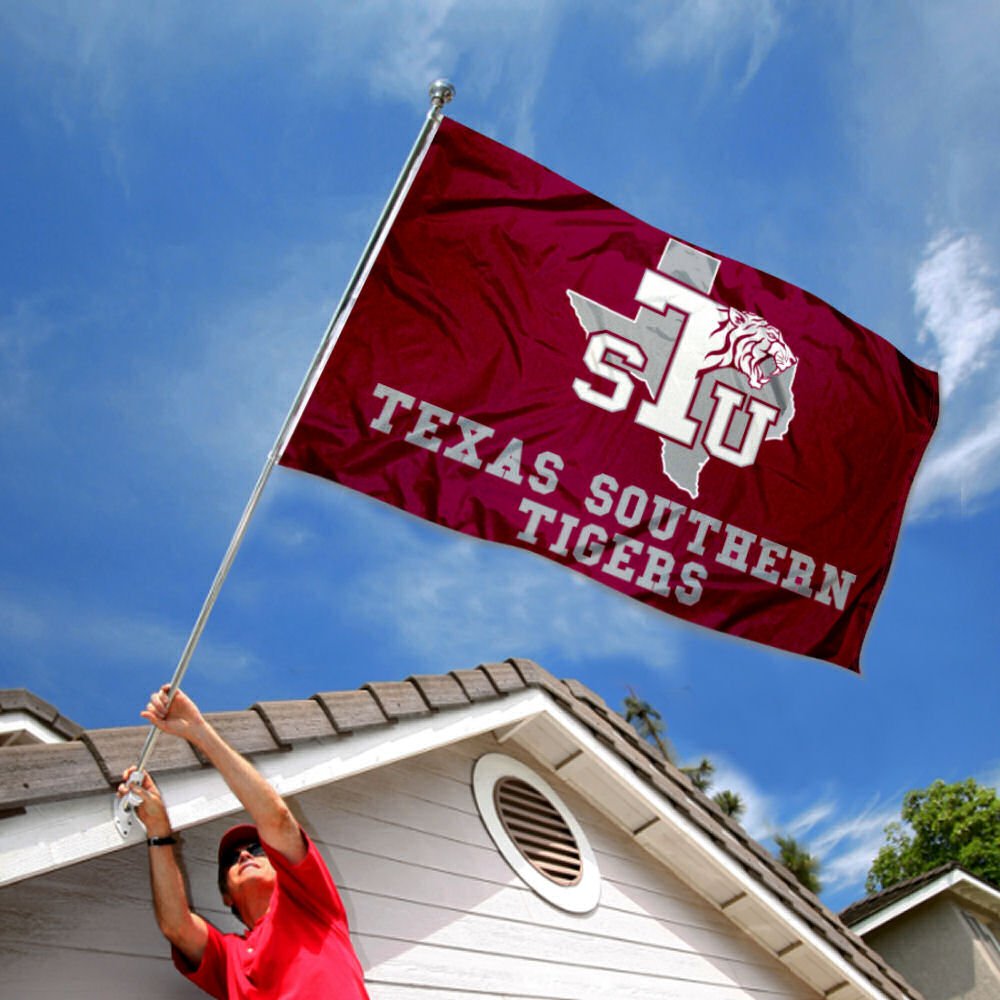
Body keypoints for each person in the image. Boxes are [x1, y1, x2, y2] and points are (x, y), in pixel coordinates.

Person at [117, 684, 370, 999]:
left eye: (256, 849)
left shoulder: (311, 904)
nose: (244, 857)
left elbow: (276, 818)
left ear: (282, 871)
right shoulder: (228, 957)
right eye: (231, 861)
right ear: (226, 897)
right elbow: (176, 927)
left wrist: (199, 731)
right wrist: (157, 828)